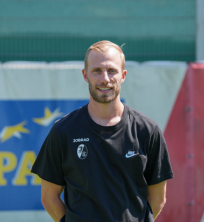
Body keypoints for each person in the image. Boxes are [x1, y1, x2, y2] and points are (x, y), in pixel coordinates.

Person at [31, 40, 173, 222]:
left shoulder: (147, 130)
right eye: (97, 70)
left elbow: (158, 199)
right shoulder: (63, 131)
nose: (105, 78)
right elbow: (49, 198)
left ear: (123, 75)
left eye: (112, 70)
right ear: (85, 75)